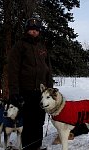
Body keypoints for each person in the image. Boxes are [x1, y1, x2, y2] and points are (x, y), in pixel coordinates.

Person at [8, 17, 53, 150]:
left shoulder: (42, 47)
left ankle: (37, 146)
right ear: (27, 30)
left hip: (41, 92)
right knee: (28, 121)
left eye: (36, 30)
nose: (34, 32)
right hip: (25, 91)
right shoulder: (20, 46)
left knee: (39, 121)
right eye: (31, 30)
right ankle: (28, 147)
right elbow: (13, 70)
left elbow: (48, 69)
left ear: (39, 31)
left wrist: (49, 89)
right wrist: (14, 92)